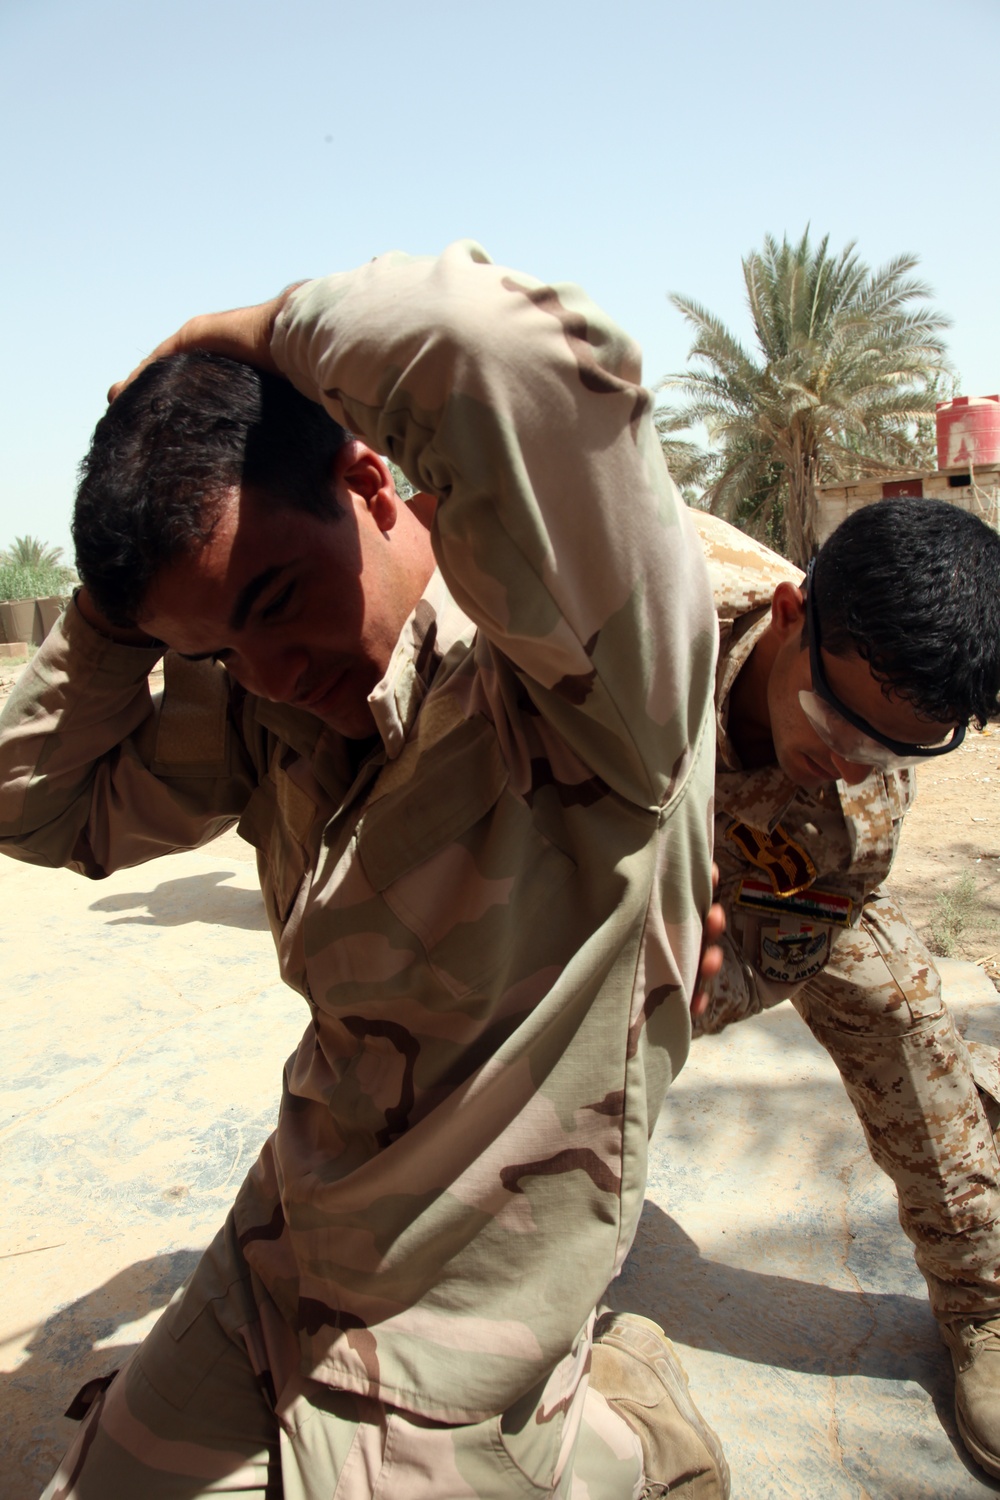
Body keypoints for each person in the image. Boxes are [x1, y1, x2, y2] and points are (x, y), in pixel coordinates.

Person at [0, 243, 727, 1498]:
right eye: (222, 647)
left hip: (459, 1324)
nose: (274, 668)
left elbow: (486, 345)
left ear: (367, 475)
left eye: (280, 598)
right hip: (289, 1237)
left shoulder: (584, 685)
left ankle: (627, 1431)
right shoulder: (272, 704)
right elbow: (35, 810)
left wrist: (241, 328)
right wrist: (120, 615)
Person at [692, 499, 1000, 1480]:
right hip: (582, 820)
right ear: (790, 614)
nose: (849, 758)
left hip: (770, 865)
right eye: (835, 718)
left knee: (902, 1013)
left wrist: (690, 993)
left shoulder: (855, 797)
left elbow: (785, 946)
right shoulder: (632, 629)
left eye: (895, 747)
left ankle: (983, 1302)